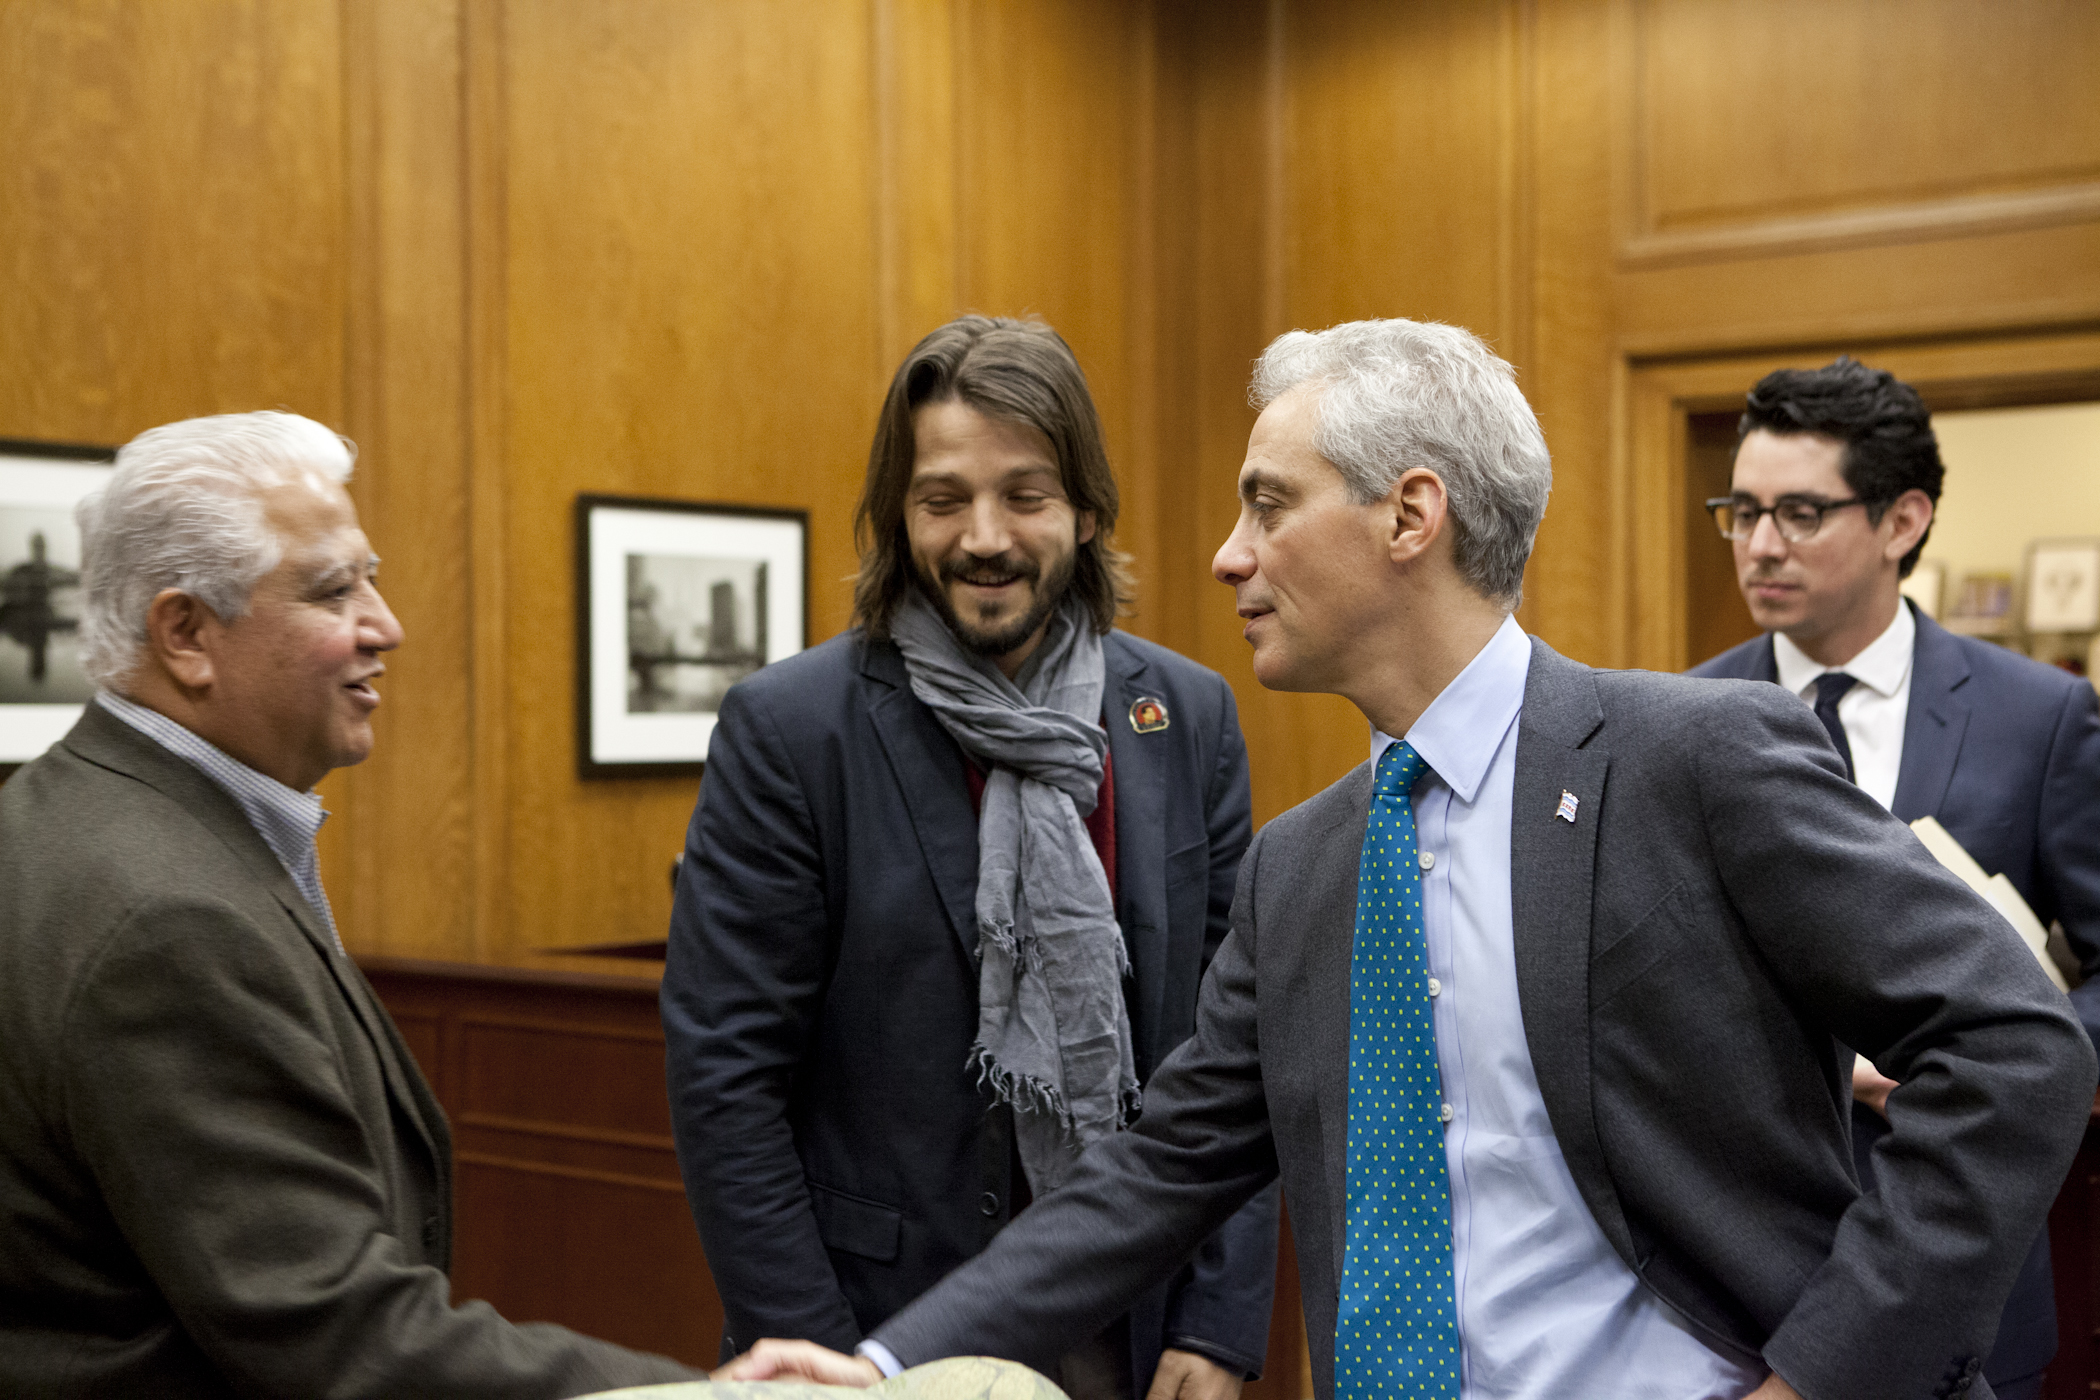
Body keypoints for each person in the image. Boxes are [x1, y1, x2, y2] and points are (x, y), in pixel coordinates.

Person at [719, 320, 2096, 1400]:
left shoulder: (1699, 758)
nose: (1224, 555)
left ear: (1408, 514)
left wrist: (1821, 1378)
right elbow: (1157, 1176)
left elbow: (2017, 1049)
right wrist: (886, 1367)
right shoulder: (1303, 868)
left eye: (1269, 505)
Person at [0, 412, 699, 1399]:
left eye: (368, 575)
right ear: (187, 632)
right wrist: (719, 1395)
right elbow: (333, 1329)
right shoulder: (166, 919)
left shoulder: (69, 813)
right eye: (334, 589)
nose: (386, 623)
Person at [661, 316, 1280, 1400]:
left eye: (1025, 495)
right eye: (943, 498)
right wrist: (832, 1365)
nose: (983, 535)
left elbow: (1236, 1054)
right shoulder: (792, 730)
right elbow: (725, 1079)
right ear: (901, 518)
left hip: (1142, 1337)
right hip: (873, 1329)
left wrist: (1222, 1322)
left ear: (1086, 509)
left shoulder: (1184, 715)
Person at [1689, 357, 2100, 1400]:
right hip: (1740, 1280)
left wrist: (1996, 1061)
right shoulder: (1678, 716)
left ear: (1902, 520)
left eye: (1799, 511)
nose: (1761, 544)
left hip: (1968, 1268)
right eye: (1741, 510)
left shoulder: (2038, 717)